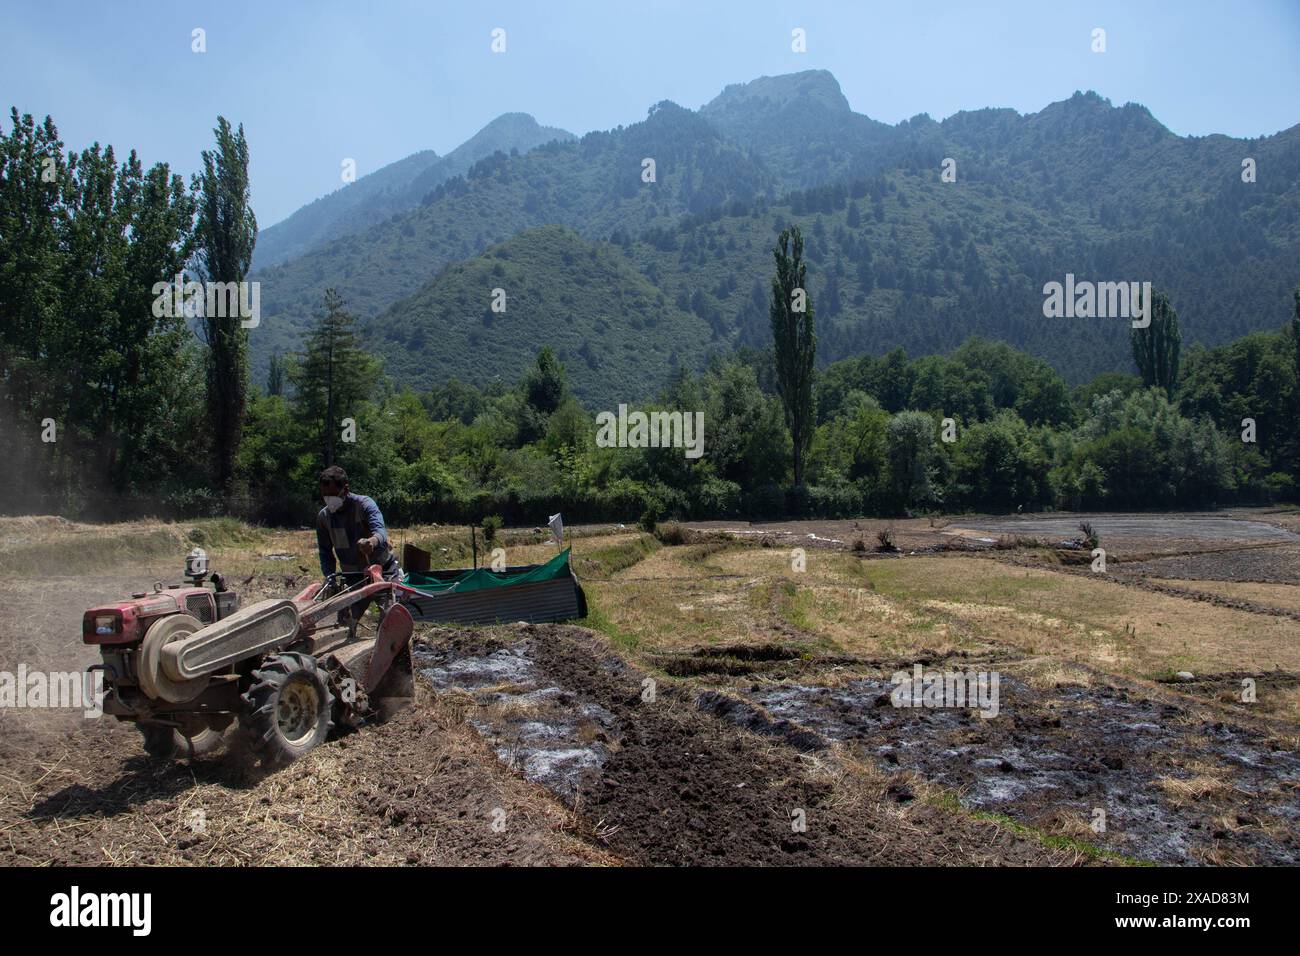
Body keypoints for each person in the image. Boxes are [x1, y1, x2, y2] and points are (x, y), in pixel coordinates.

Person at [315, 465, 402, 584]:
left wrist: (372, 542)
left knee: (392, 601)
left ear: (345, 490)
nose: (329, 499)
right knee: (350, 603)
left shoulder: (364, 505)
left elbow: (381, 532)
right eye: (326, 495)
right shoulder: (323, 518)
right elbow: (325, 553)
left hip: (383, 571)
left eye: (333, 495)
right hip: (353, 578)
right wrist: (330, 579)